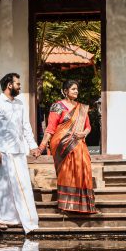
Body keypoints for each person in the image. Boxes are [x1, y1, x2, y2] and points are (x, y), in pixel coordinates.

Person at [0, 73, 41, 233]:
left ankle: (22, 218)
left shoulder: (19, 104)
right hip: (2, 152)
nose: (20, 86)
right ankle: (2, 218)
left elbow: (26, 127)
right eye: (17, 83)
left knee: (22, 184)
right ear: (9, 85)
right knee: (3, 186)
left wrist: (33, 146)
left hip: (18, 151)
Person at [38, 80, 98, 215]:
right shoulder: (57, 107)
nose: (76, 91)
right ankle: (66, 205)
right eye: (73, 89)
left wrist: (84, 133)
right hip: (62, 145)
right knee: (67, 173)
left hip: (79, 143)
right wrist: (41, 147)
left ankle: (82, 205)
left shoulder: (82, 108)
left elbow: (88, 126)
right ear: (65, 91)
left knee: (84, 167)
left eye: (77, 89)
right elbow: (50, 129)